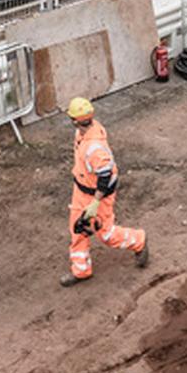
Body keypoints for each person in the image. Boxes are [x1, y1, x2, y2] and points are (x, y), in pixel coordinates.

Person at [61, 97, 146, 286]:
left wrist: (95, 202)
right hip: (81, 189)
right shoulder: (83, 132)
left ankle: (139, 240)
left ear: (75, 120)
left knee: (106, 234)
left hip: (98, 194)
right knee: (78, 228)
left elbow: (105, 177)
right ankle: (81, 270)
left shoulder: (94, 148)